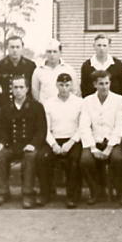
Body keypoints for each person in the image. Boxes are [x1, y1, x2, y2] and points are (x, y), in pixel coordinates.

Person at [0, 75, 47, 208]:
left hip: (29, 146)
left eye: (21, 87)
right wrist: (1, 143)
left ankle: (28, 193)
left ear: (27, 89)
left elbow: (41, 130)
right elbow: (3, 130)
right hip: (11, 146)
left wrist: (33, 144)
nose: (18, 90)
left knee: (30, 156)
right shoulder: (6, 108)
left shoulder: (36, 107)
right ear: (11, 89)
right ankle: (2, 191)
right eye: (15, 87)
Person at [79, 70, 122, 204]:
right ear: (95, 84)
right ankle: (96, 191)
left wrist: (109, 148)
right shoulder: (87, 101)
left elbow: (119, 126)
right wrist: (93, 148)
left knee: (117, 158)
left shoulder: (118, 99)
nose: (104, 87)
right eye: (101, 84)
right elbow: (84, 126)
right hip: (94, 141)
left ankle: (120, 191)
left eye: (107, 83)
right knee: (85, 161)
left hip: (112, 141)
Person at [37, 73, 83, 208]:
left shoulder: (79, 102)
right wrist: (54, 145)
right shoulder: (49, 103)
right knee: (42, 158)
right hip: (54, 139)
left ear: (72, 86)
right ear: (56, 85)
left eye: (67, 85)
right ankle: (46, 193)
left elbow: (82, 127)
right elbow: (45, 128)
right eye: (61, 85)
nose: (64, 88)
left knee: (74, 160)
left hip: (73, 140)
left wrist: (70, 143)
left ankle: (72, 196)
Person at [0, 36, 36, 107]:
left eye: (17, 47)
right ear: (7, 48)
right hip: (7, 108)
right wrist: (2, 103)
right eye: (12, 47)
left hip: (27, 107)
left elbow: (34, 88)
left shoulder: (30, 66)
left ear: (22, 48)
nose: (15, 50)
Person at [31, 39, 78, 104]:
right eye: (49, 52)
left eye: (55, 51)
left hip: (64, 108)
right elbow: (35, 92)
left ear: (60, 52)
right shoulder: (38, 70)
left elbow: (75, 91)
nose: (52, 54)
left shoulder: (69, 70)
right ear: (46, 53)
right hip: (45, 109)